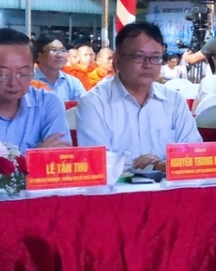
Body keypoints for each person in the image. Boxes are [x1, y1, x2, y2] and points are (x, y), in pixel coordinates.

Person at [76, 22, 201, 170]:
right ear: (117, 61)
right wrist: (146, 166)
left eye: (155, 57)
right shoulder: (94, 103)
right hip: (117, 184)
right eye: (138, 56)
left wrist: (164, 166)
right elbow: (96, 161)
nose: (148, 65)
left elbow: (193, 153)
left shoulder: (174, 101)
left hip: (169, 183)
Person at [33, 33, 87, 104]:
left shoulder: (72, 82)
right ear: (39, 56)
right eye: (53, 51)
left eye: (63, 51)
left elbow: (84, 106)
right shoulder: (29, 81)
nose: (59, 55)